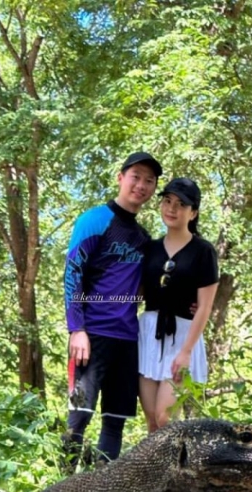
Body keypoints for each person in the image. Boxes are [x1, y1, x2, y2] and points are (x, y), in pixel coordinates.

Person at [63, 151, 162, 470]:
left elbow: (151, 286)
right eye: (136, 177)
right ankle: (60, 488)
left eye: (150, 181)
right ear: (121, 178)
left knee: (115, 421)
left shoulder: (143, 239)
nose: (141, 185)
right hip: (90, 337)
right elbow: (73, 271)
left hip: (127, 340)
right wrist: (76, 329)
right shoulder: (94, 220)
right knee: (78, 416)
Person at [138, 178, 219, 432]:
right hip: (149, 333)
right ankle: (156, 472)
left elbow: (204, 307)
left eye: (181, 204)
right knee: (151, 418)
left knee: (164, 417)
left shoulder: (203, 251)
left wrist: (185, 352)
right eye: (167, 201)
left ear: (193, 212)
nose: (171, 209)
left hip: (183, 337)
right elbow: (138, 293)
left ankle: (179, 469)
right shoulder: (149, 248)